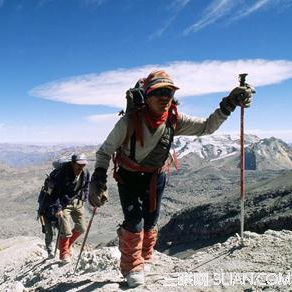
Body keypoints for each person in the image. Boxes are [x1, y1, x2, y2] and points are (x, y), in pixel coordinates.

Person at [88, 70, 254, 287]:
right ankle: (132, 267)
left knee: (151, 219)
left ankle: (145, 258)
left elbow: (207, 127)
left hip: (156, 176)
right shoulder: (129, 122)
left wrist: (228, 104)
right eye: (159, 92)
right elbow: (105, 151)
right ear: (146, 95)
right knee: (134, 222)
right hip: (129, 178)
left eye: (169, 91)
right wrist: (98, 178)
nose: (165, 97)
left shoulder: (174, 119)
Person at [48, 153, 90, 263]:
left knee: (81, 228)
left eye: (83, 165)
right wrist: (58, 208)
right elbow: (54, 194)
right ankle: (64, 254)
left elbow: (86, 186)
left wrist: (84, 199)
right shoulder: (62, 174)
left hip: (77, 201)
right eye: (79, 164)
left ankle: (64, 245)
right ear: (72, 163)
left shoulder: (85, 173)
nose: (81, 167)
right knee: (66, 230)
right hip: (63, 204)